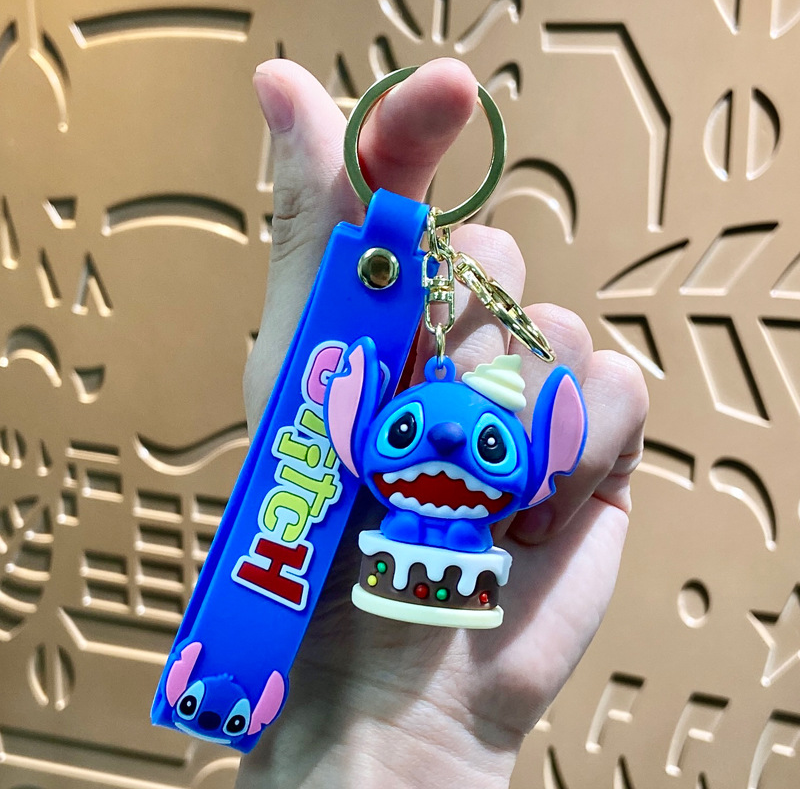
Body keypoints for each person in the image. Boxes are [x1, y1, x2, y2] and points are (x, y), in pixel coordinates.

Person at [236, 57, 648, 788]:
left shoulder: (503, 475)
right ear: (354, 428)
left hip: (455, 572)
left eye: (490, 442)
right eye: (399, 433)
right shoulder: (353, 438)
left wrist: (421, 749)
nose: (452, 443)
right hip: (356, 560)